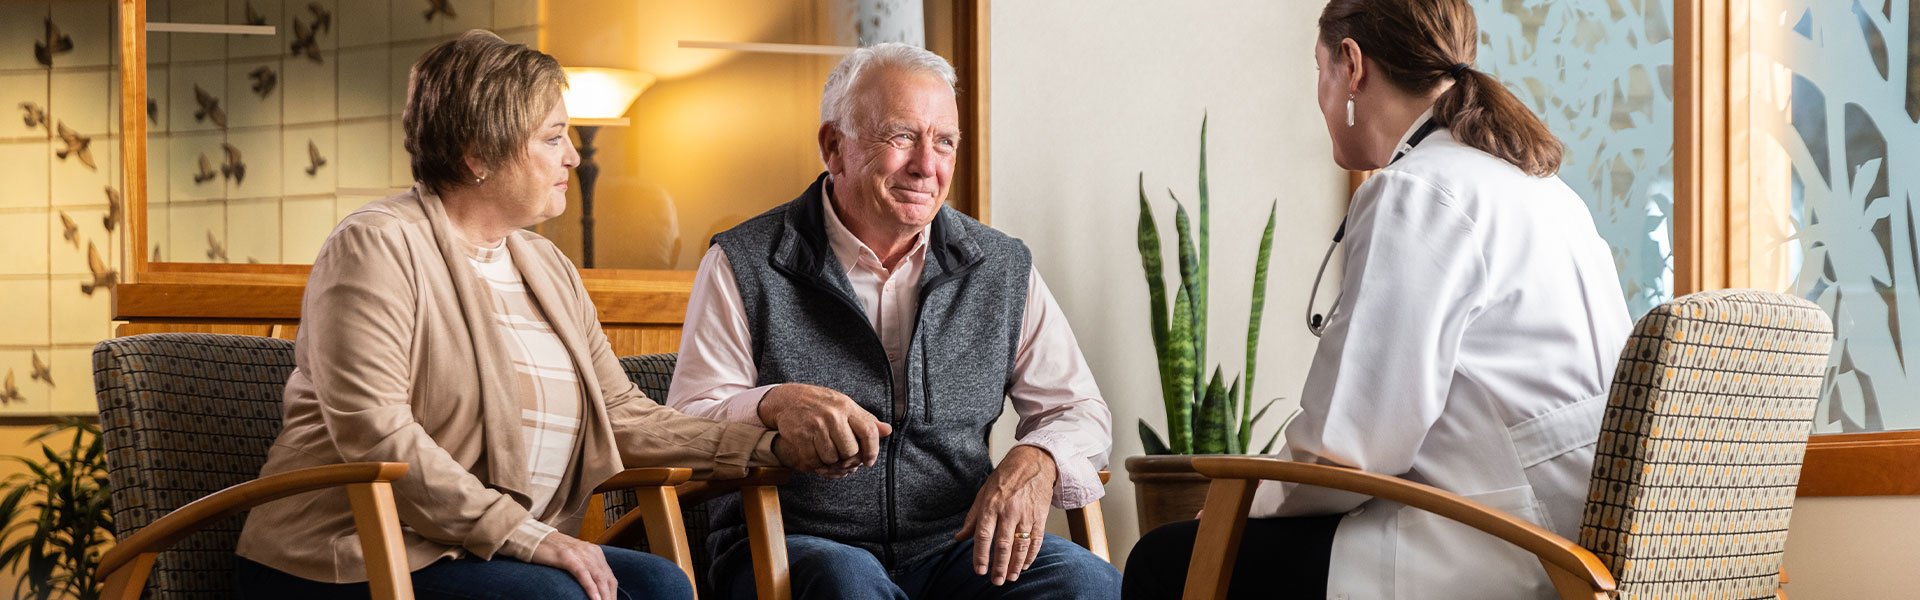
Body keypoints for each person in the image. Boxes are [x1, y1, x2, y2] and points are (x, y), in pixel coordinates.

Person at [232, 30, 804, 600]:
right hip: (352, 555)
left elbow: (619, 415)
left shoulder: (546, 265)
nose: (573, 156)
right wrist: (525, 537)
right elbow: (375, 431)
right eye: (554, 138)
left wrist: (765, 447)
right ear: (478, 154)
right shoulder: (377, 245)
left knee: (662, 584)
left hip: (484, 550)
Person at [1123, 1, 1632, 598]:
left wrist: (1244, 504)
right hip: (1577, 539)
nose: (1318, 95)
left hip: (1496, 548)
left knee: (1165, 560)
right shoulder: (1543, 190)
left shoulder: (1417, 194)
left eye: (1320, 69)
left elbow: (1350, 451)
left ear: (1352, 65)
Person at [666, 42, 1122, 600]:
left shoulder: (1001, 267)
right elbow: (686, 422)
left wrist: (1041, 455)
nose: (926, 166)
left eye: (944, 142)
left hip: (954, 544)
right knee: (848, 582)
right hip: (791, 545)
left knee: (1086, 583)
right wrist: (772, 403)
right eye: (901, 136)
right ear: (834, 146)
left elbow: (1079, 409)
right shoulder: (745, 261)